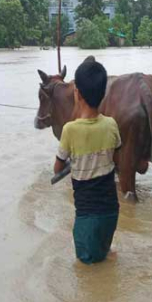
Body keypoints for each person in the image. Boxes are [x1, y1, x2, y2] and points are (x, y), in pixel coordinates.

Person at [54, 59, 121, 264]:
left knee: (86, 271)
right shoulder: (111, 124)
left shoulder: (69, 130)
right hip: (111, 212)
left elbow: (57, 167)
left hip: (86, 217)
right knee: (105, 255)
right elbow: (115, 157)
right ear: (103, 93)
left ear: (77, 93)